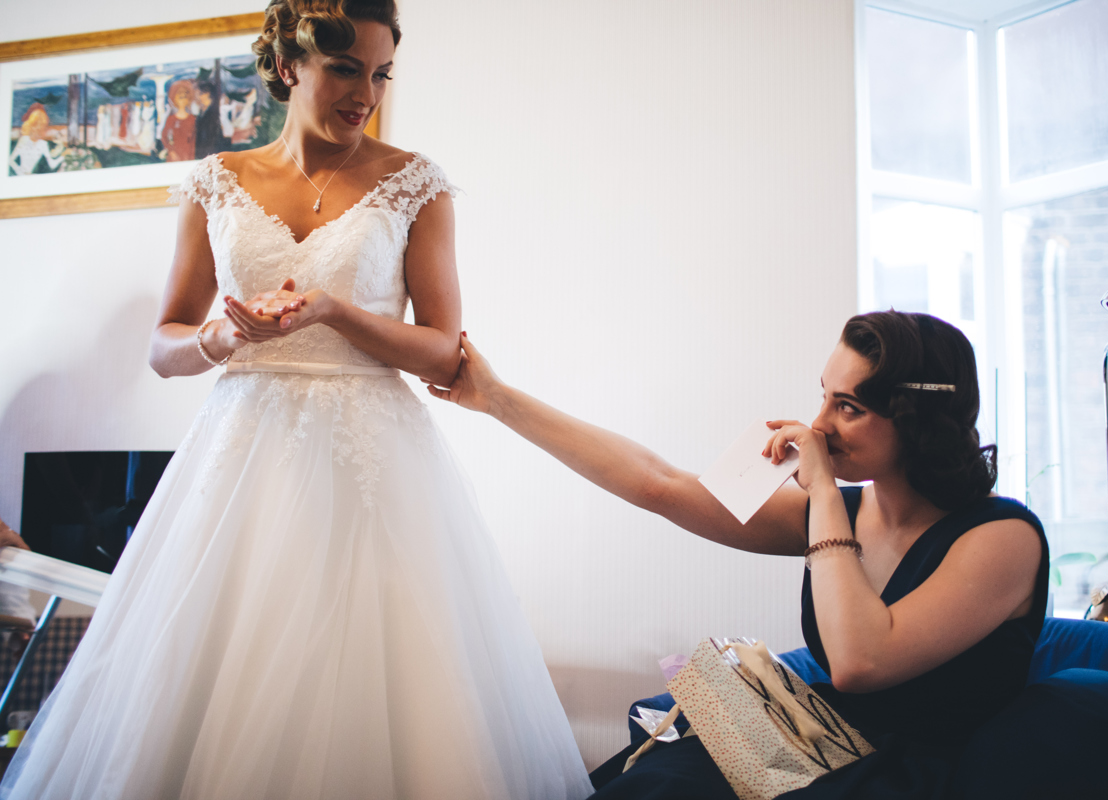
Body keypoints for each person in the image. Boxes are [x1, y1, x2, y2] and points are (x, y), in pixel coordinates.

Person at [0, 2, 592, 798]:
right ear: (287, 67)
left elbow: (445, 349)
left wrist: (337, 311)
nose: (367, 94)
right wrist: (222, 338)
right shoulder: (216, 182)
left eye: (381, 74)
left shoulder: (415, 183)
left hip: (376, 460)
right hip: (240, 453)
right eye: (347, 70)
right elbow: (163, 343)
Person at [428, 312, 1049, 799]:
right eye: (824, 397)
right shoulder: (850, 511)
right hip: (818, 746)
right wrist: (497, 399)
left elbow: (860, 661)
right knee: (656, 774)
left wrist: (825, 493)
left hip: (907, 778)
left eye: (849, 408)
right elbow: (660, 484)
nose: (819, 425)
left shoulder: (1003, 538)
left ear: (919, 424)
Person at [161, 79, 196, 162]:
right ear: (174, 98)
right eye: (180, 97)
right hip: (174, 157)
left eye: (185, 97)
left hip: (189, 156)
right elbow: (164, 137)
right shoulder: (171, 119)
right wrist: (171, 151)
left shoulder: (193, 119)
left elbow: (194, 141)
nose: (183, 100)